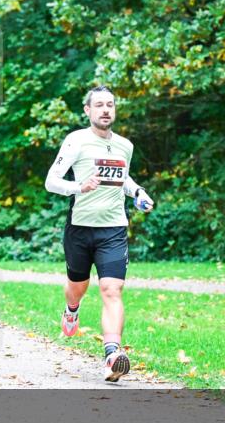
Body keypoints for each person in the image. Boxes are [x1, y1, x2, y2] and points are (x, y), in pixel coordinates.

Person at [44, 85, 155, 382]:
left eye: (110, 105)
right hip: (80, 228)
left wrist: (138, 192)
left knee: (111, 290)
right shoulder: (76, 141)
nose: (106, 110)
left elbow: (122, 177)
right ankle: (71, 310)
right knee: (77, 287)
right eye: (99, 105)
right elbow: (51, 181)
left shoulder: (124, 146)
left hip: (113, 228)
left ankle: (112, 356)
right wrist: (78, 187)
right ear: (88, 110)